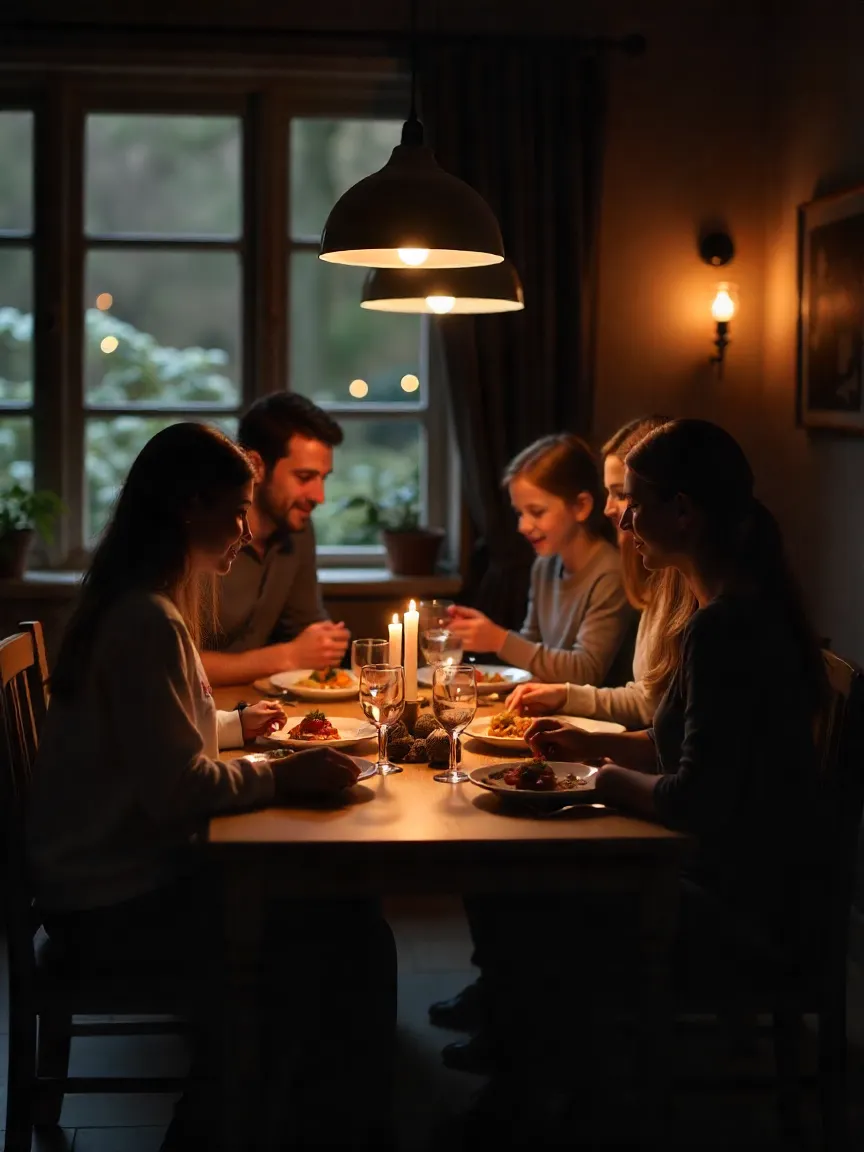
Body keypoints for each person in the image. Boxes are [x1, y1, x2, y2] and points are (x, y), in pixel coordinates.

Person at [27, 423, 395, 1150]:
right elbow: (177, 791)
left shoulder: (136, 603)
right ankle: (259, 1123)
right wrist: (283, 771)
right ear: (187, 507)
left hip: (97, 888)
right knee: (350, 933)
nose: (242, 529)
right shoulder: (147, 621)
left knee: (341, 917)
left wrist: (230, 725)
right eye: (233, 511)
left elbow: (142, 740)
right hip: (109, 911)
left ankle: (283, 1111)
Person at [468, 419, 825, 1142]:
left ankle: (553, 1106)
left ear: (684, 512)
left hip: (736, 904)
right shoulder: (723, 608)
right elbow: (689, 748)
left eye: (634, 500)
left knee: (527, 902)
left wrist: (598, 778)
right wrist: (606, 749)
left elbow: (694, 798)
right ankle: (552, 1088)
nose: (621, 516)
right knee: (517, 888)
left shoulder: (723, 629)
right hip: (729, 873)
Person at [504, 415, 695, 727]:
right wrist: (561, 695)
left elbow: (663, 727)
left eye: (624, 495)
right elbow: (648, 702)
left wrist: (497, 639)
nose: (610, 509)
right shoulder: (656, 581)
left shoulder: (621, 574)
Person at [446, 432, 637, 686]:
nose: (523, 526)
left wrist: (498, 640)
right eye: (519, 513)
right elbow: (532, 646)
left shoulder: (610, 573)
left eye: (536, 512)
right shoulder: (545, 566)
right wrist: (485, 635)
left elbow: (586, 670)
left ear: (581, 507)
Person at [202, 391, 351, 688]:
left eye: (324, 478)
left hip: (257, 709)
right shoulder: (204, 535)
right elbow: (173, 662)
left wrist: (325, 644)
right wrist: (290, 656)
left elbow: (306, 629)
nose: (319, 497)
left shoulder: (298, 531)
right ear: (255, 466)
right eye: (305, 477)